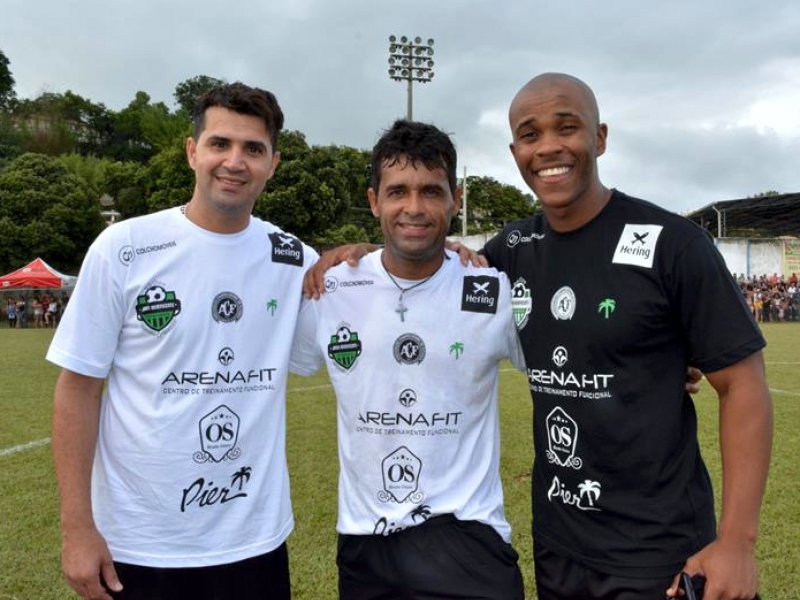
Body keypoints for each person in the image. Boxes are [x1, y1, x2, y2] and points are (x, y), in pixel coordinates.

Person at [305, 74, 772, 600]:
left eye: (567, 128)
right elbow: (430, 259)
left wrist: (736, 541)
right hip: (560, 549)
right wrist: (365, 252)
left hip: (657, 549)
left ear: (599, 138)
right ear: (515, 150)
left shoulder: (672, 244)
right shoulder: (512, 252)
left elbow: (742, 385)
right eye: (530, 135)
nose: (548, 146)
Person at [47, 82, 318, 600]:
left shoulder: (293, 258)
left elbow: (370, 275)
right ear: (193, 151)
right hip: (140, 547)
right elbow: (78, 388)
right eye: (220, 144)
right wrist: (77, 528)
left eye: (253, 149)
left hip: (254, 544)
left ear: (273, 163)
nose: (234, 162)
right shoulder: (125, 247)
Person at [290, 120, 526, 599]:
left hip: (468, 538)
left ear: (455, 199)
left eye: (431, 192)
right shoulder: (330, 288)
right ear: (374, 200)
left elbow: (575, 364)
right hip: (364, 546)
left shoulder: (491, 290)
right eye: (398, 192)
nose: (414, 208)